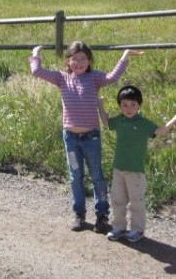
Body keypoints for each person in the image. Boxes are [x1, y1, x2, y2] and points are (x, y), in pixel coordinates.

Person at [30, 41, 143, 233]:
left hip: (91, 138)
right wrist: (35, 53)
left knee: (97, 176)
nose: (78, 62)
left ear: (89, 61)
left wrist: (125, 56)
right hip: (71, 139)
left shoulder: (95, 78)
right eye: (74, 59)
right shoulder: (62, 78)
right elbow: (37, 71)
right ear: (68, 60)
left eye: (83, 59)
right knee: (75, 177)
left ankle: (101, 216)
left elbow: (113, 77)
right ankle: (79, 215)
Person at [98, 85, 176, 242]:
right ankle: (119, 228)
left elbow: (159, 131)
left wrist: (173, 121)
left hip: (136, 171)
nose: (129, 108)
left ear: (139, 105)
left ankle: (137, 230)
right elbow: (107, 122)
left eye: (133, 104)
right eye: (124, 105)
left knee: (137, 202)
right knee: (117, 200)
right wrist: (99, 104)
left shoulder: (143, 123)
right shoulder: (119, 120)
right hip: (118, 169)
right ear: (120, 105)